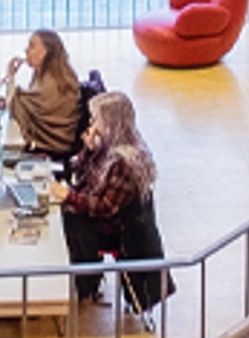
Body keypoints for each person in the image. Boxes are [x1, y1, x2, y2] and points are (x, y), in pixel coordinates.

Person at [60, 89, 169, 320]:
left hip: (117, 231)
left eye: (95, 119)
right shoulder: (110, 147)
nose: (91, 124)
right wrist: (88, 151)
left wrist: (68, 197)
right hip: (112, 221)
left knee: (65, 222)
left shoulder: (123, 161)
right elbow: (80, 175)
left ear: (109, 122)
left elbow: (104, 208)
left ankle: (83, 286)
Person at [5, 28, 86, 162]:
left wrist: (10, 76)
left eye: (32, 46)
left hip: (52, 148)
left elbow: (15, 105)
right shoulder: (58, 73)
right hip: (65, 145)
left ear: (45, 52)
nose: (26, 50)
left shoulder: (52, 84)